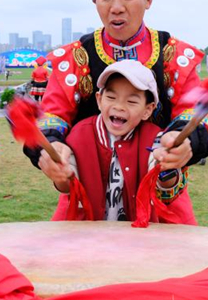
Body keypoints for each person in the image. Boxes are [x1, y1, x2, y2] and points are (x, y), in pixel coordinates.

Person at [27, 0, 208, 184]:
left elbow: (194, 113)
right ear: (95, 2)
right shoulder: (77, 58)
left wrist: (185, 141)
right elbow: (51, 116)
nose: (116, 7)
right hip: (88, 196)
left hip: (160, 193)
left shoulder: (172, 55)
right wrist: (51, 148)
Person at [47, 60, 195, 223]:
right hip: (90, 232)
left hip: (137, 232)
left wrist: (167, 166)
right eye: (111, 97)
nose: (119, 106)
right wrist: (61, 175)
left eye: (131, 101)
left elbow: (165, 187)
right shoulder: (79, 135)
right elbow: (68, 187)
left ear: (147, 110)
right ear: (99, 100)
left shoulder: (154, 137)